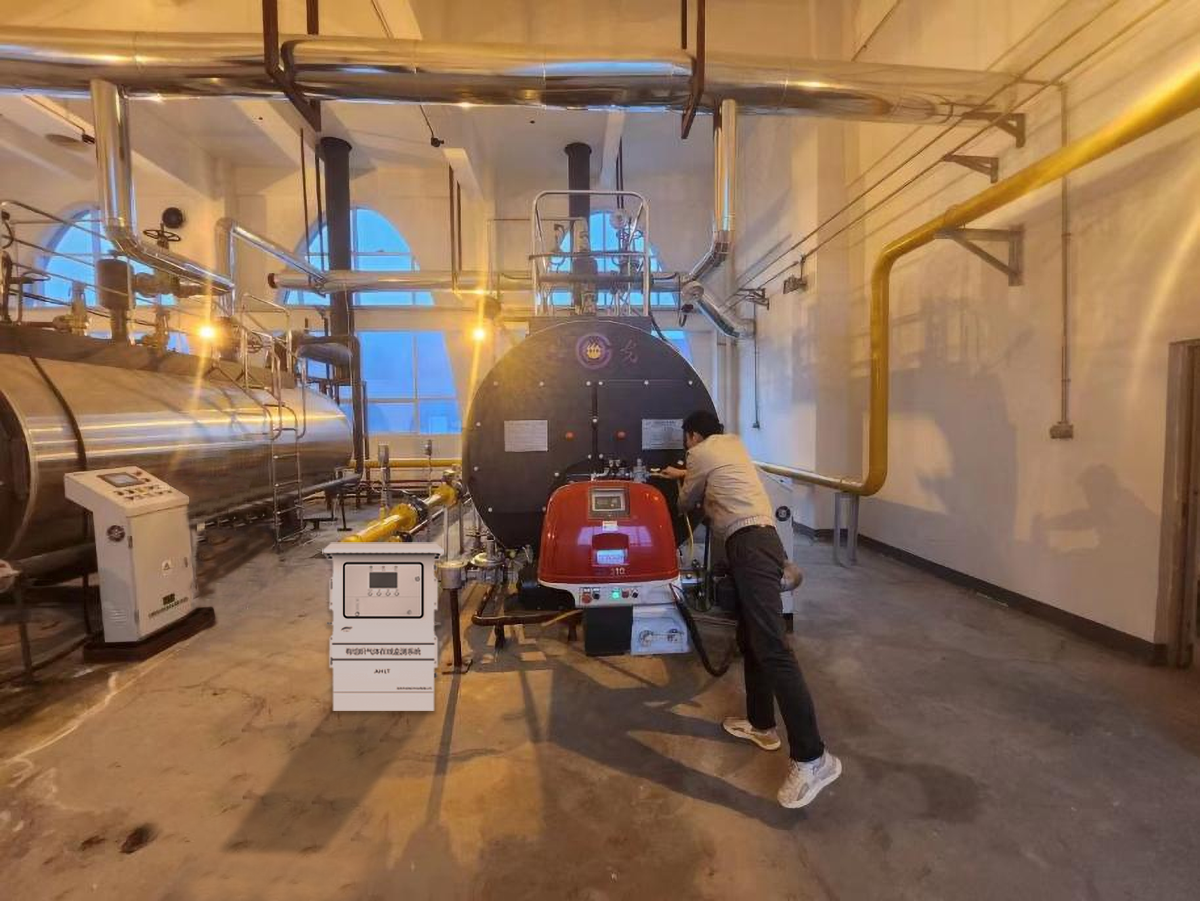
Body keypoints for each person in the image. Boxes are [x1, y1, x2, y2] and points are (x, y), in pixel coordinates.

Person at [661, 410, 841, 809]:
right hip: (758, 541)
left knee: (774, 648)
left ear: (692, 435)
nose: (688, 445)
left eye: (687, 439)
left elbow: (686, 502)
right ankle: (762, 725)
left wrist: (678, 482)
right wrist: (685, 473)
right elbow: (717, 476)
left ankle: (813, 758)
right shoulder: (733, 445)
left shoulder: (700, 452)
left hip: (750, 546)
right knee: (750, 638)